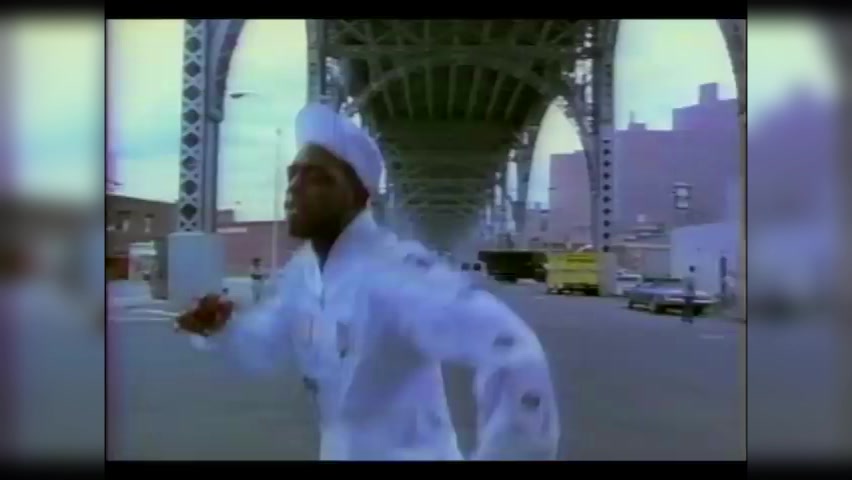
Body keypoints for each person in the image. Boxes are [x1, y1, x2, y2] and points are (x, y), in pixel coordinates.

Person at [175, 103, 559, 461]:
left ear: (359, 197)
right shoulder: (303, 274)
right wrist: (222, 329)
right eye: (293, 175)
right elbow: (266, 343)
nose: (294, 187)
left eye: (318, 178)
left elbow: (512, 350)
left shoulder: (396, 272)